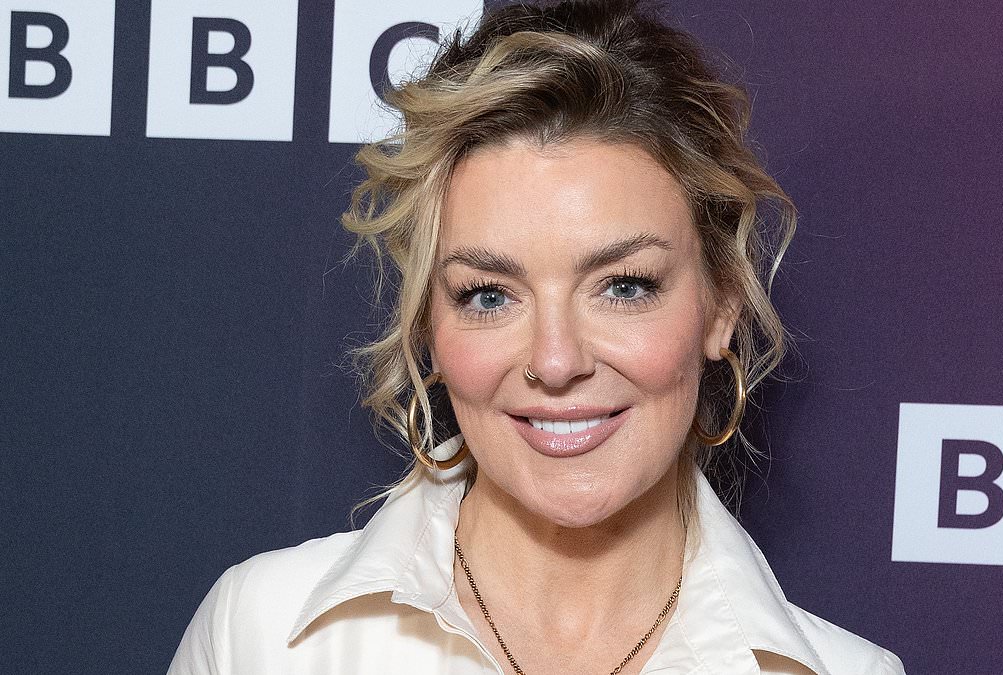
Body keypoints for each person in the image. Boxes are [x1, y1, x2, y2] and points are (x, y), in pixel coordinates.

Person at [168, 1, 905, 673]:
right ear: (429, 325)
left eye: (624, 286)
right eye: (489, 295)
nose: (555, 362)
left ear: (722, 306)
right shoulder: (263, 637)